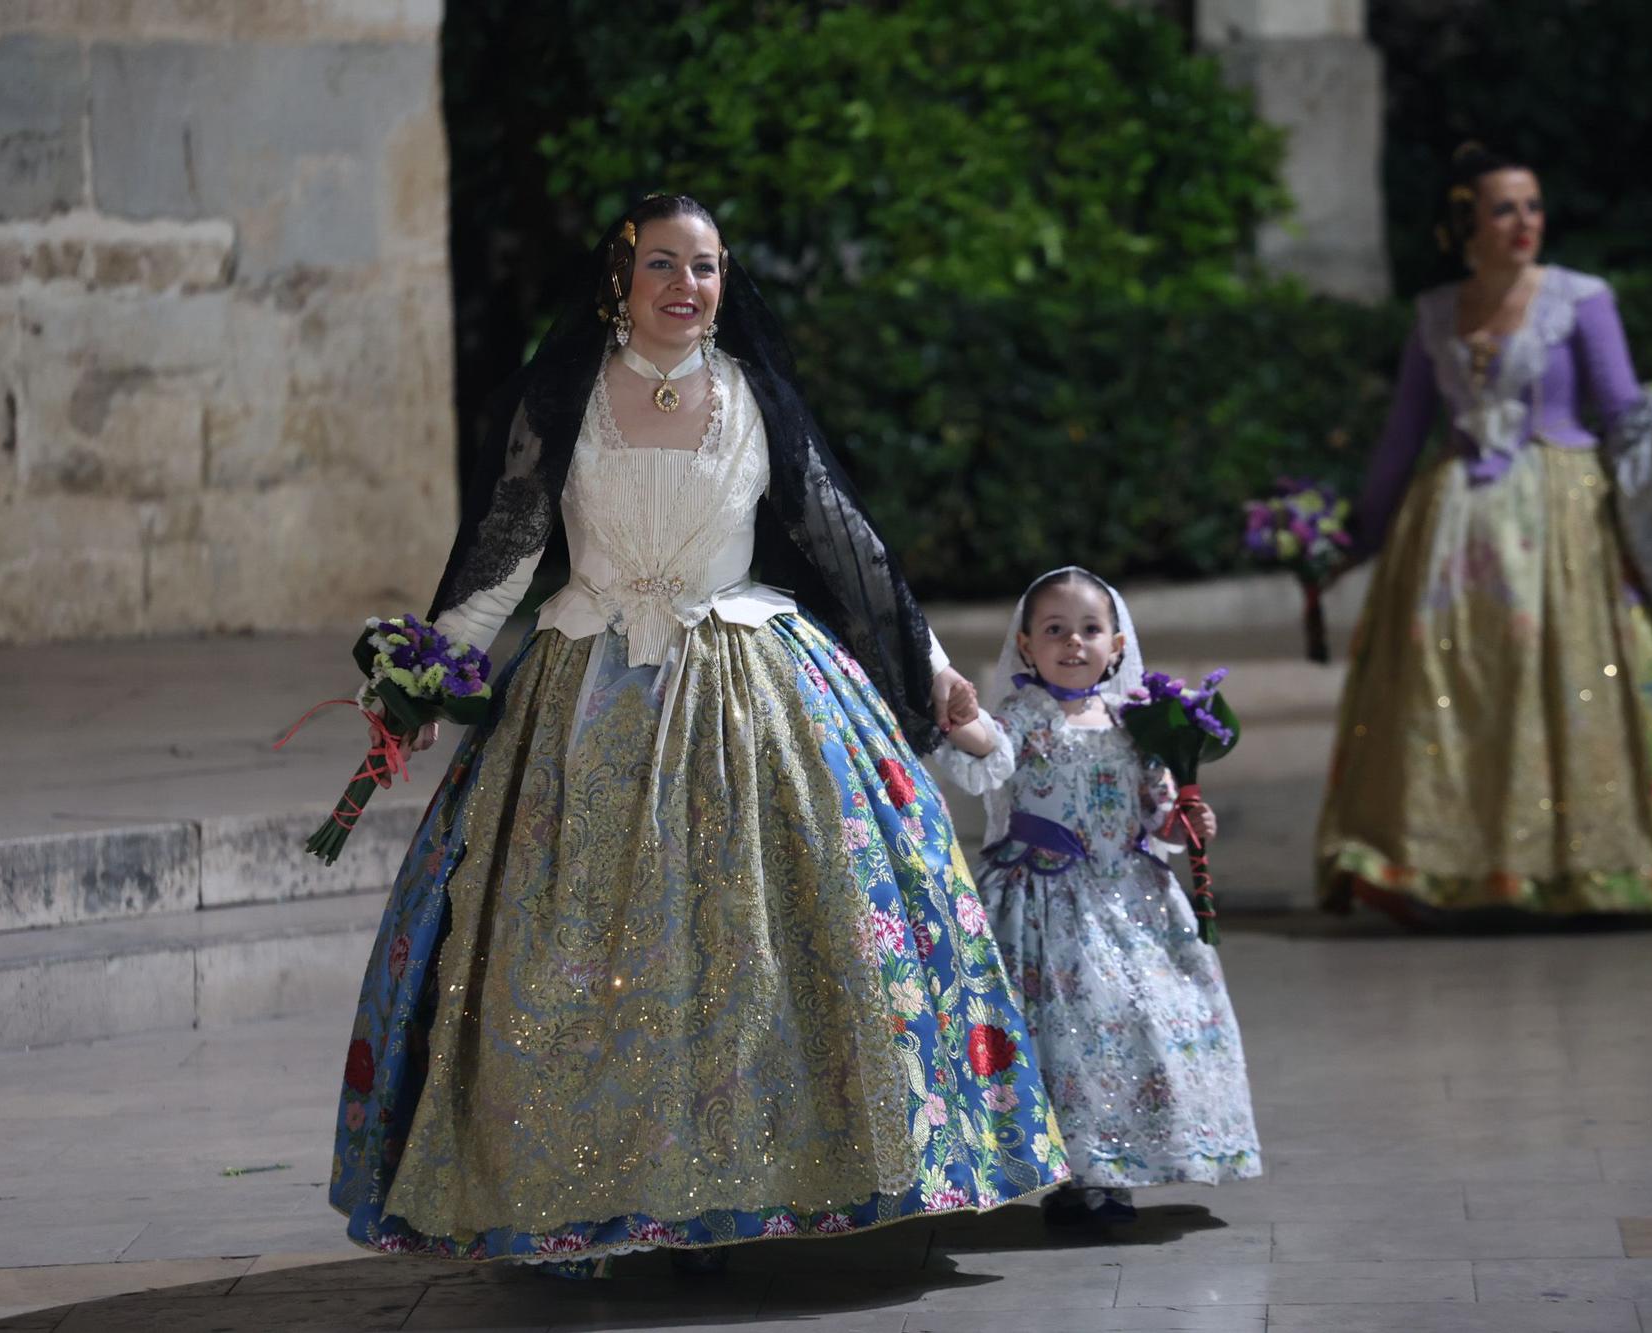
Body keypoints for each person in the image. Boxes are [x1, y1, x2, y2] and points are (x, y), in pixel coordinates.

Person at [324, 194, 1069, 1272]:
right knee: (572, 950)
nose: (686, 285)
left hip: (745, 684)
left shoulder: (750, 396)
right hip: (584, 692)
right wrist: (422, 681)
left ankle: (744, 1188)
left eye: (706, 266)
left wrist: (936, 674)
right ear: (618, 281)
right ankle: (570, 1202)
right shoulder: (566, 394)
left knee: (755, 955)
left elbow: (843, 541)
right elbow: (506, 546)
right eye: (662, 264)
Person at [1316, 144, 1652, 920]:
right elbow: (1401, 441)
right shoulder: (1436, 313)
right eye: (1504, 209)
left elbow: (1620, 414)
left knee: (1570, 678)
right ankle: (1451, 862)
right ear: (1465, 223)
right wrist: (1347, 546)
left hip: (1564, 522)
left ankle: (1587, 858)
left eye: (1533, 206)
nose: (1524, 223)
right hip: (1451, 535)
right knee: (1450, 691)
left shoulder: (1581, 299)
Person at [940, 567, 1260, 1224]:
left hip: (1131, 901)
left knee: (1133, 1026)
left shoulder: (1138, 723)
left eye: (1090, 629)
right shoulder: (1025, 717)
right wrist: (963, 717)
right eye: (1054, 629)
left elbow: (1158, 813)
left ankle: (1120, 1166)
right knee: (1068, 1034)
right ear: (1026, 645)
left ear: (1117, 644)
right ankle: (1075, 1173)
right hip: (1047, 903)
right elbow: (987, 753)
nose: (1074, 642)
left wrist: (1185, 822)